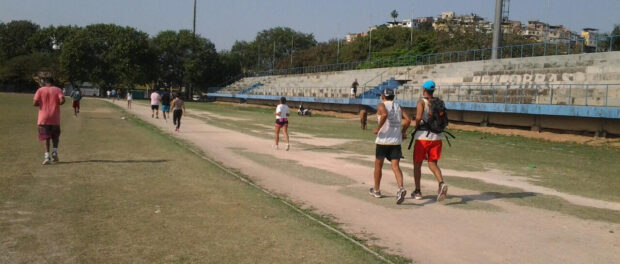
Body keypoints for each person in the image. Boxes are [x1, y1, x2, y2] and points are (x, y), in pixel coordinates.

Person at [370, 89, 410, 204]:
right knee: (396, 166)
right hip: (395, 141)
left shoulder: (381, 105)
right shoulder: (399, 106)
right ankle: (400, 188)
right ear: (393, 97)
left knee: (378, 166)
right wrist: (403, 132)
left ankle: (376, 190)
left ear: (383, 97)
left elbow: (384, 114)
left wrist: (378, 128)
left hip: (382, 141)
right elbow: (408, 120)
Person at [412, 80, 448, 202]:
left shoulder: (422, 102)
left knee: (417, 164)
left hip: (422, 137)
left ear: (424, 90)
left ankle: (417, 191)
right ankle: (441, 183)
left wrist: (415, 125)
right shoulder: (438, 102)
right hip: (437, 137)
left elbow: (418, 117)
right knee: (433, 164)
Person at [33, 77, 65, 165]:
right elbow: (62, 101)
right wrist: (55, 104)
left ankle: (47, 156)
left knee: (45, 137)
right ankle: (54, 151)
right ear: (53, 82)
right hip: (54, 117)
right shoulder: (58, 90)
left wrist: (42, 103)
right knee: (55, 136)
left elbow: (34, 103)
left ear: (45, 82)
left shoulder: (40, 90)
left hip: (43, 118)